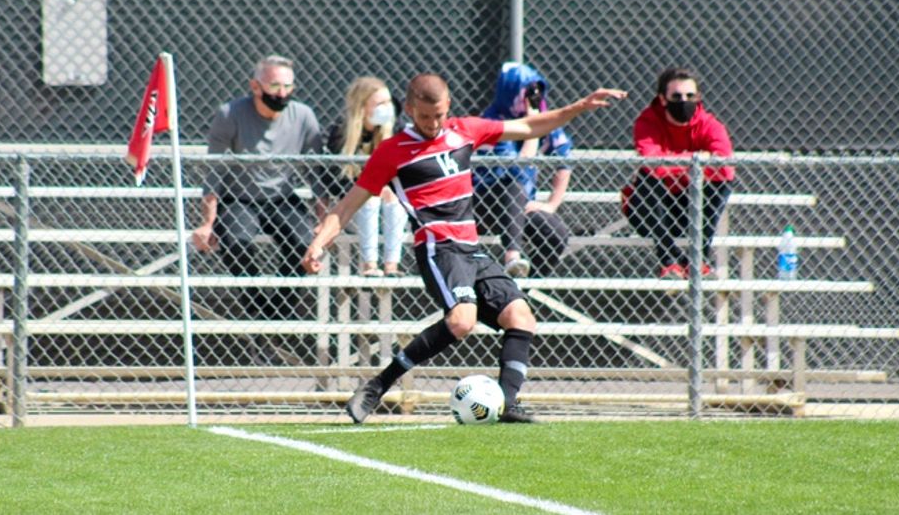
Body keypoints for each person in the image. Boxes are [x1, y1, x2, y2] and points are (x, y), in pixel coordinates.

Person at [302, 73, 626, 424]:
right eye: (425, 116)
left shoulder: (465, 130)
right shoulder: (392, 152)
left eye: (439, 114)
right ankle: (376, 387)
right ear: (409, 109)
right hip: (439, 250)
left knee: (522, 317)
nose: (433, 123)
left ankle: (506, 403)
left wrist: (578, 107)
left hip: (472, 249)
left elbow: (530, 126)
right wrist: (319, 243)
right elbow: (347, 207)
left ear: (449, 106)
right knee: (461, 321)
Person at [193, 55, 325, 320]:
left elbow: (316, 173)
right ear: (255, 87)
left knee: (304, 241)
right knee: (235, 240)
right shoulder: (230, 114)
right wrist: (207, 222)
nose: (282, 93)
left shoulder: (303, 116)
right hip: (240, 198)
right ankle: (256, 306)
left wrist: (324, 217)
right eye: (275, 86)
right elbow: (214, 172)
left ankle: (278, 311)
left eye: (288, 87)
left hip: (283, 197)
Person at [625, 66, 735, 280]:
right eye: (676, 96)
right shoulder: (648, 121)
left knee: (721, 185)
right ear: (663, 99)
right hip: (653, 210)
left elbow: (725, 168)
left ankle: (697, 260)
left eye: (690, 96)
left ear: (698, 98)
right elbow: (653, 164)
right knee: (649, 182)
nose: (684, 101)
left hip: (691, 205)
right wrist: (697, 161)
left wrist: (673, 162)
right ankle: (670, 261)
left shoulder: (709, 125)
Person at [472, 62, 574, 278]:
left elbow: (564, 159)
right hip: (485, 203)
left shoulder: (542, 117)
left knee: (556, 233)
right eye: (525, 93)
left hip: (521, 207)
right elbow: (514, 171)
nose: (529, 100)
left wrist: (552, 204)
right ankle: (512, 257)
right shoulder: (491, 121)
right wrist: (532, 131)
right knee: (514, 186)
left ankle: (523, 292)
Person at [322, 77, 408, 277]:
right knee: (371, 195)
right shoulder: (341, 134)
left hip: (390, 209)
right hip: (353, 210)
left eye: (388, 102)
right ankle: (369, 265)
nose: (387, 108)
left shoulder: (397, 130)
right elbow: (335, 183)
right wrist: (368, 188)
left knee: (389, 195)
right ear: (362, 108)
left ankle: (391, 266)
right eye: (379, 104)